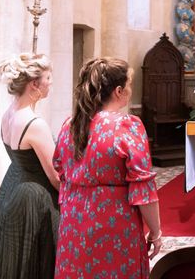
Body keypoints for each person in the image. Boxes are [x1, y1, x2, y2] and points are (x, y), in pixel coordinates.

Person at [53, 58, 161, 278]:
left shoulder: (69, 124)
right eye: (130, 84)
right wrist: (156, 232)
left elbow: (60, 170)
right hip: (113, 224)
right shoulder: (127, 125)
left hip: (74, 223)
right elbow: (143, 189)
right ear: (119, 91)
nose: (131, 89)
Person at [0, 53, 59, 279]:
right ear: (35, 84)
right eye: (49, 78)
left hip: (10, 192)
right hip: (36, 201)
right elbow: (55, 177)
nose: (51, 83)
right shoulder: (35, 124)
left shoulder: (7, 114)